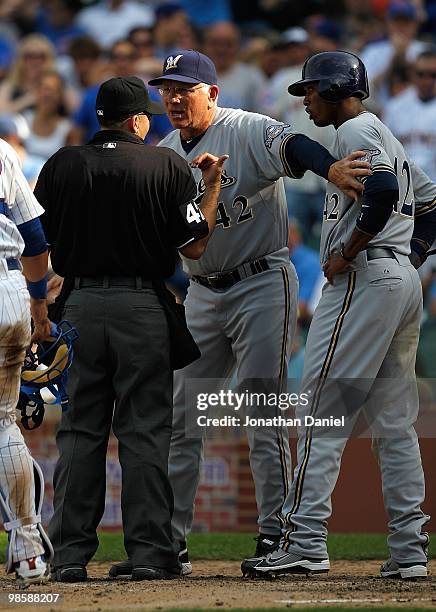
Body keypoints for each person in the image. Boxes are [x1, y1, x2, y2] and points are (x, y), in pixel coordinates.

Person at [109, 50, 370, 580]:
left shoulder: (244, 128)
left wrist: (330, 168)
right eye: (166, 88)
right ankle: (169, 544)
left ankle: (277, 531)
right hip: (202, 292)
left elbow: (294, 146)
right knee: (182, 415)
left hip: (261, 282)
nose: (174, 97)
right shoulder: (163, 153)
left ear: (212, 93)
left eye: (186, 87)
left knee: (262, 410)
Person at [242, 50, 436, 580]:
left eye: (309, 91)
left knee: (323, 409)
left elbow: (383, 192)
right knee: (395, 424)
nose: (304, 101)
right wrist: (411, 255)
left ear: (332, 89)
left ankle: (303, 540)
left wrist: (348, 252)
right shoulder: (387, 138)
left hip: (365, 281)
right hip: (398, 281)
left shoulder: (353, 134)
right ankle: (409, 550)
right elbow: (431, 205)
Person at [34, 75, 227, 582]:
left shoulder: (60, 164)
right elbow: (196, 246)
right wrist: (210, 189)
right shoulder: (165, 164)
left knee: (78, 434)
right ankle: (149, 555)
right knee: (144, 434)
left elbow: (37, 241)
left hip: (76, 309)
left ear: (99, 118)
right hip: (141, 307)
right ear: (139, 120)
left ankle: (69, 557)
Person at [0, 133, 53, 585]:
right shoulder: (0, 149)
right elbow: (34, 238)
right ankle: (28, 547)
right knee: (2, 423)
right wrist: (39, 303)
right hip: (9, 290)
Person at [383, 49, 436, 182]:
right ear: (412, 74)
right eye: (421, 74)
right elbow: (383, 150)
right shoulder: (395, 107)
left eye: (433, 75)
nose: (427, 80)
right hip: (404, 188)